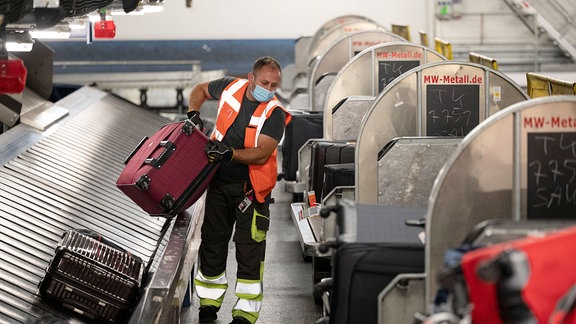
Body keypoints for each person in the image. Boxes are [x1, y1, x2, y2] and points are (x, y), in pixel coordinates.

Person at [187, 56, 292, 324]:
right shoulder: (229, 87)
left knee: (249, 251)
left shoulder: (275, 113)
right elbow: (199, 90)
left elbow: (261, 154)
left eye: (274, 85)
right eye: (265, 83)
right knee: (212, 243)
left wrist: (229, 153)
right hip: (218, 184)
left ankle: (245, 313)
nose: (269, 90)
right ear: (251, 78)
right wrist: (193, 114)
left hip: (251, 191)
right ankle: (208, 306)